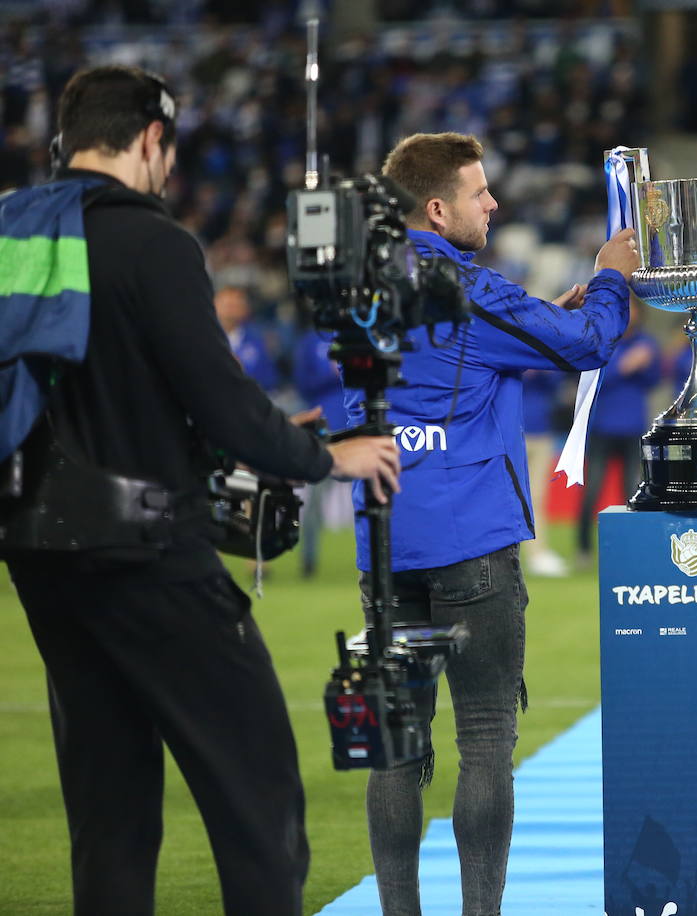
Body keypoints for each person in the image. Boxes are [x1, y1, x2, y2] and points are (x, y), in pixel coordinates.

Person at [0, 65, 400, 916]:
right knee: (258, 801)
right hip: (149, 554)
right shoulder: (155, 242)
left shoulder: (17, 232)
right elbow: (220, 400)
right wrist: (334, 456)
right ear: (152, 139)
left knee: (109, 815)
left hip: (42, 554)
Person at [349, 131, 636, 916]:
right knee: (484, 742)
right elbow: (591, 346)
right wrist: (610, 279)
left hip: (384, 543)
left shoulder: (353, 285)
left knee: (395, 753)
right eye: (480, 193)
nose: (494, 204)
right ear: (437, 209)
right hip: (470, 542)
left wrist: (542, 316)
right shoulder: (467, 284)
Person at [576, 299, 661, 564]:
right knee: (592, 491)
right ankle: (584, 549)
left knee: (632, 491)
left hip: (634, 426)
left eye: (633, 308)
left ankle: (630, 550)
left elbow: (654, 381)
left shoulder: (647, 343)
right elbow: (591, 377)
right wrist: (624, 366)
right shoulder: (604, 341)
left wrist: (646, 365)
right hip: (603, 426)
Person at [292, 325, 350, 578]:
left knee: (378, 497)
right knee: (314, 501)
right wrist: (334, 374)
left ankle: (387, 561)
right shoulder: (310, 339)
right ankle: (309, 561)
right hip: (325, 431)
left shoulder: (360, 332)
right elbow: (301, 382)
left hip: (361, 428)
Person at [520, 368, 571, 576]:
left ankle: (537, 553)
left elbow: (558, 380)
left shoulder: (538, 350)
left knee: (538, 496)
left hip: (541, 431)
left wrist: (541, 370)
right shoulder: (507, 346)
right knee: (501, 495)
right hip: (509, 431)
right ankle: (497, 553)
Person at [215, 284, 280, 394]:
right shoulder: (204, 340)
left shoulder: (259, 341)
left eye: (235, 305)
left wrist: (242, 375)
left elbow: (270, 381)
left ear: (245, 309)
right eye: (227, 304)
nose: (230, 309)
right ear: (214, 305)